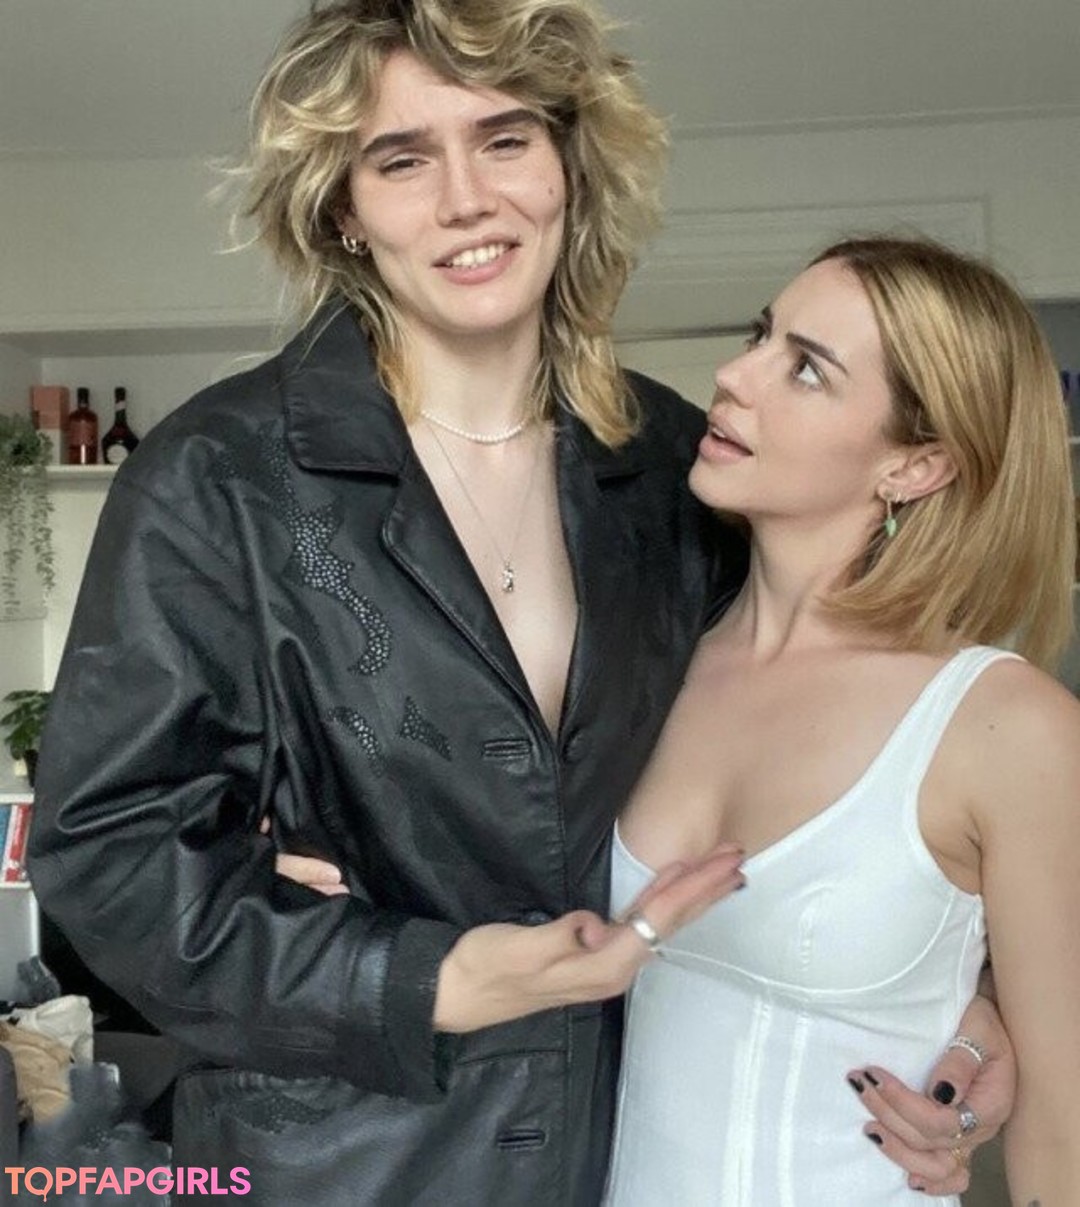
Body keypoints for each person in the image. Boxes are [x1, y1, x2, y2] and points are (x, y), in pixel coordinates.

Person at [26, 1, 1011, 1202]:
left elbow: (835, 759)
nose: (467, 200)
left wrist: (963, 1002)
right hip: (342, 1166)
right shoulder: (216, 478)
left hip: (629, 1149)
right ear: (343, 208)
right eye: (402, 160)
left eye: (504, 140)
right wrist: (425, 977)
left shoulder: (677, 465)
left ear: (566, 167)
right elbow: (109, 857)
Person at [601, 236, 1080, 1205]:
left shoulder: (1006, 725)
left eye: (807, 368)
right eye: (761, 337)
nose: (733, 377)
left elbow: (1064, 1140)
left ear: (917, 465)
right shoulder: (645, 663)